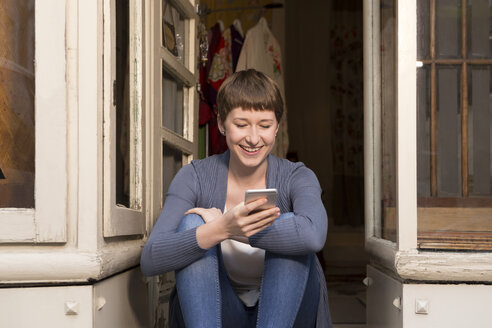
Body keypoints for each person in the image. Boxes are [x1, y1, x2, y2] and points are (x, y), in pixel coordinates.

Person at [140, 69, 332, 328]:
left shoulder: (297, 176)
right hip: (220, 311)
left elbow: (313, 236)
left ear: (277, 127)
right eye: (241, 125)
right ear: (221, 124)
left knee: (291, 230)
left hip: (288, 313)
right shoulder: (195, 176)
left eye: (264, 126)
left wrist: (234, 230)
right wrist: (218, 229)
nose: (253, 138)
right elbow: (151, 258)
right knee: (193, 225)